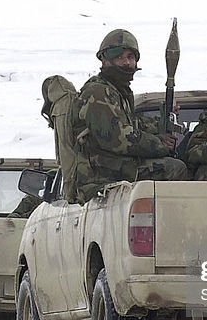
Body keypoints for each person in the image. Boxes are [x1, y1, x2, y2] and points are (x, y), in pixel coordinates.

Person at [71, 28, 188, 202]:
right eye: (119, 57)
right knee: (175, 168)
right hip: (99, 175)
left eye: (130, 57)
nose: (126, 63)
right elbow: (118, 139)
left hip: (112, 167)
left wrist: (161, 123)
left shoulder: (117, 92)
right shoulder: (98, 93)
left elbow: (131, 124)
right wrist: (159, 144)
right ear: (104, 60)